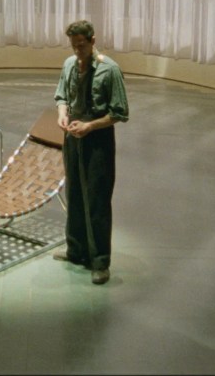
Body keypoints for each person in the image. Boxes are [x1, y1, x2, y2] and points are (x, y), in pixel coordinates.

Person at [53, 19, 128, 285]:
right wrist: (63, 116)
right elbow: (61, 96)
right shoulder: (69, 64)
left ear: (93, 41)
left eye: (82, 46)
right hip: (73, 137)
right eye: (74, 46)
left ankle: (99, 261)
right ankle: (76, 251)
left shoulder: (110, 70)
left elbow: (120, 112)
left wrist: (90, 126)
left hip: (98, 142)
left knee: (96, 200)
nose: (77, 51)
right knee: (74, 194)